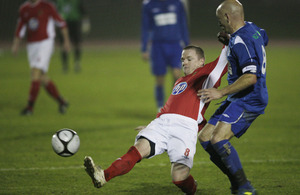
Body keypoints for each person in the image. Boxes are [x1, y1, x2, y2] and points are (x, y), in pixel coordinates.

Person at [83, 43, 228, 194]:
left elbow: (224, 59)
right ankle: (103, 176)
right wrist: (152, 124)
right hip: (162, 123)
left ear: (201, 61)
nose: (184, 62)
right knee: (137, 150)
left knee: (179, 178)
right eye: (182, 59)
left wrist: (229, 38)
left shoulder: (206, 75)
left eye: (189, 59)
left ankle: (192, 189)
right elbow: (169, 107)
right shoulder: (179, 81)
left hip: (184, 128)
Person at [197, 0, 269, 194]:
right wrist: (230, 41)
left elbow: (251, 76)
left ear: (227, 17)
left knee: (218, 139)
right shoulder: (252, 29)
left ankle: (245, 188)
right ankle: (237, 182)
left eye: (220, 18)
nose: (219, 22)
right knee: (205, 137)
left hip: (250, 98)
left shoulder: (240, 40)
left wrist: (220, 92)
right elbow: (264, 38)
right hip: (238, 97)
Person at [11, 0, 71, 115]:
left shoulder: (47, 6)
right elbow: (20, 27)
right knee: (42, 77)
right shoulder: (24, 9)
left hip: (45, 43)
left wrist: (66, 41)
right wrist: (16, 44)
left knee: (35, 72)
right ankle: (62, 101)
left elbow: (61, 23)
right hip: (31, 45)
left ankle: (29, 108)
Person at [141, 0, 190, 112]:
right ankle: (160, 106)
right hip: (157, 46)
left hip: (175, 44)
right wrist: (144, 48)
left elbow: (183, 24)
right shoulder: (149, 5)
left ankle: (175, 104)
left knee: (177, 75)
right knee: (160, 79)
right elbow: (145, 27)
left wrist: (187, 44)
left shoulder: (177, 3)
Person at [55, 0, 90, 73]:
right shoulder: (60, 2)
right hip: (64, 23)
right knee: (64, 44)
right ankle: (65, 65)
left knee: (77, 44)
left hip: (75, 23)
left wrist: (86, 22)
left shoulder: (76, 1)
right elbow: (55, 13)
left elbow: (83, 12)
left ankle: (77, 63)